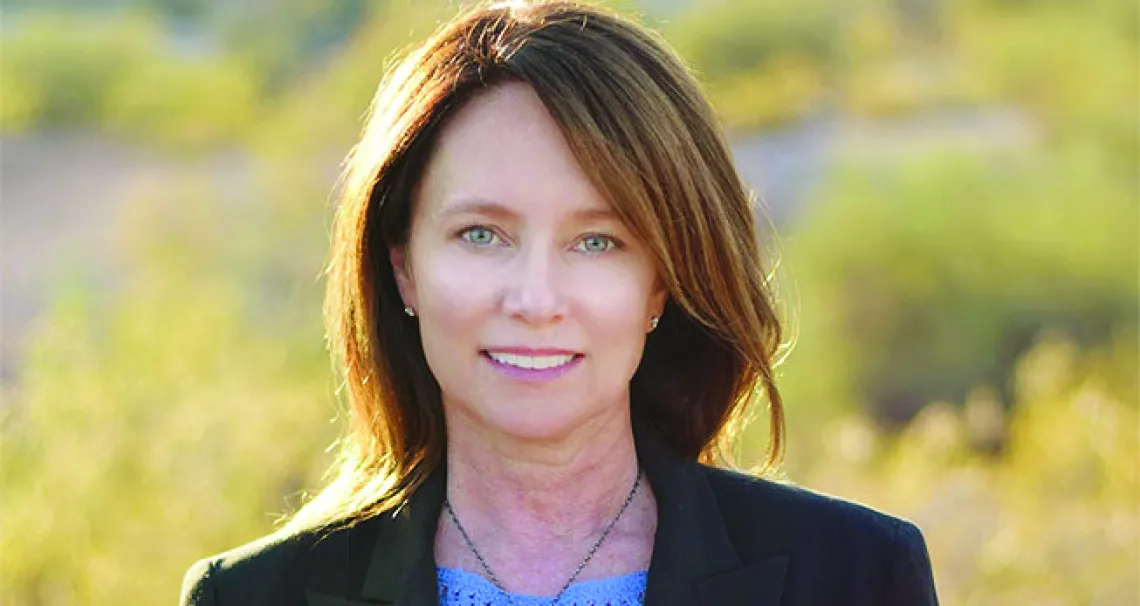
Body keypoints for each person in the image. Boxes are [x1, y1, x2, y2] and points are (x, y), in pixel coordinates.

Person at [180, 1, 939, 604]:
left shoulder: (855, 576)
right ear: (403, 267)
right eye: (481, 234)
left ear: (661, 282)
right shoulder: (249, 597)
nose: (535, 299)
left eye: (596, 242)